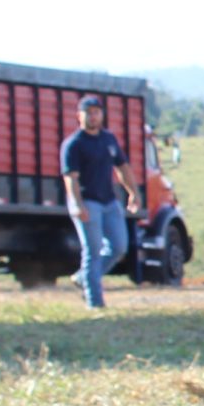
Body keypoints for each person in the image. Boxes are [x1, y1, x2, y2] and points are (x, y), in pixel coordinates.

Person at [60, 93, 137, 309]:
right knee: (92, 251)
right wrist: (77, 204)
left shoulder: (108, 139)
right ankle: (95, 303)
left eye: (96, 112)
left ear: (101, 114)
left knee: (119, 247)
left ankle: (85, 278)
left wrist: (133, 192)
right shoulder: (73, 144)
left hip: (109, 202)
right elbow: (70, 178)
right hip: (87, 202)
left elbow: (122, 168)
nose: (93, 117)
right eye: (88, 113)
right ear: (79, 116)